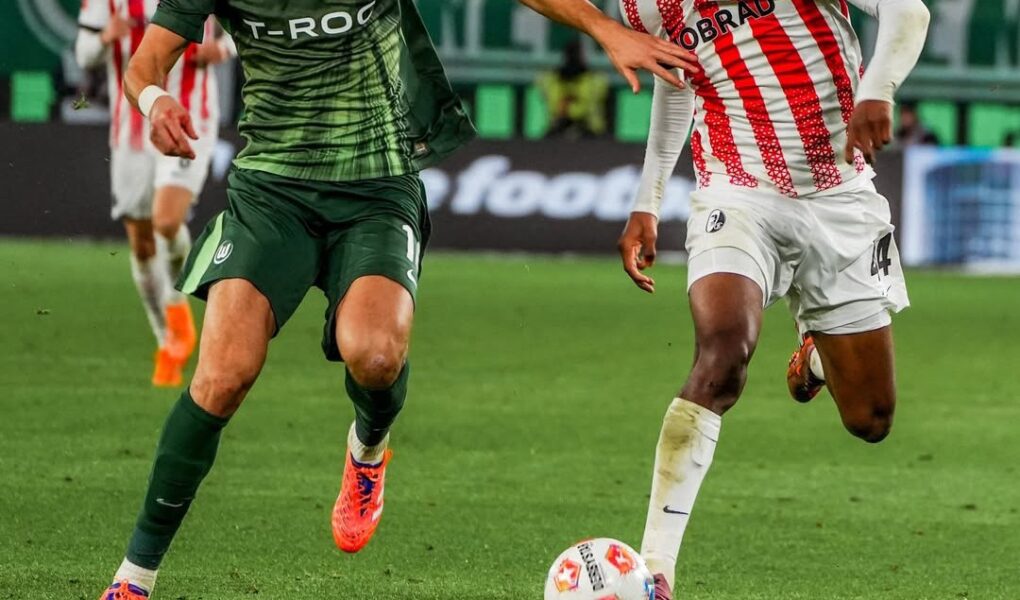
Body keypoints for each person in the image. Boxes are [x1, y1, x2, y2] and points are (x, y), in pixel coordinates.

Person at [95, 1, 695, 598]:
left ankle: (368, 446)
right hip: (271, 191)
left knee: (376, 357)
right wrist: (156, 101)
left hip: (376, 189)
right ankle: (134, 579)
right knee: (222, 377)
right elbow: (144, 65)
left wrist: (603, 28)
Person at [613, 1, 931, 598]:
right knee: (722, 353)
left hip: (840, 194)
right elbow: (674, 78)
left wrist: (877, 90)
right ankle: (655, 570)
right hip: (737, 192)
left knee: (871, 418)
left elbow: (907, 10)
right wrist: (647, 200)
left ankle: (817, 356)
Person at [75, 1, 233, 387]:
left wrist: (224, 48)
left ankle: (177, 311)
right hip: (131, 128)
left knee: (166, 220)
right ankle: (168, 339)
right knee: (142, 244)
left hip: (190, 114)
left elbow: (252, 21)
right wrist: (105, 39)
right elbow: (84, 53)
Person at [538, 39, 610, 139]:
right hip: (567, 130)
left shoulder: (551, 79)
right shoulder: (595, 80)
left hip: (589, 132)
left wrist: (567, 110)